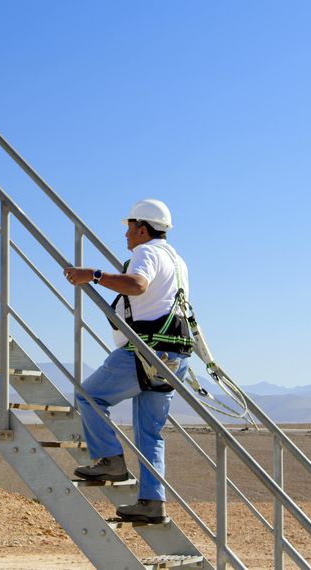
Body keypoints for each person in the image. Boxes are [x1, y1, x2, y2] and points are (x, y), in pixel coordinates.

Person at [62, 198, 193, 524]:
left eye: (130, 228)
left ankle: (110, 461)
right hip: (173, 356)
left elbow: (137, 285)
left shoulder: (146, 253)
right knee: (150, 434)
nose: (126, 235)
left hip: (145, 353)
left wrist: (92, 275)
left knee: (89, 396)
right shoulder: (177, 260)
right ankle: (151, 502)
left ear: (142, 228)